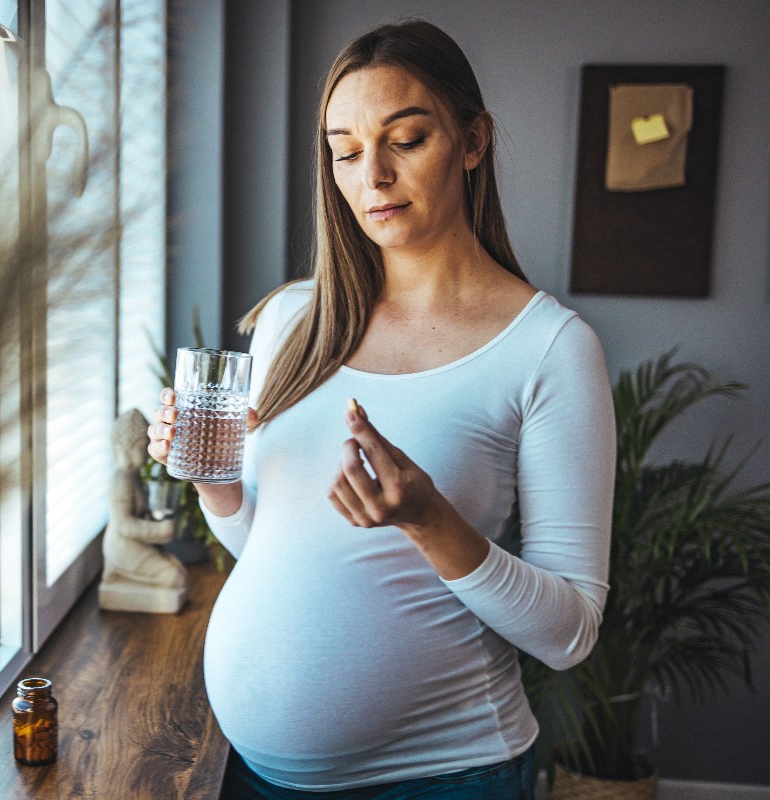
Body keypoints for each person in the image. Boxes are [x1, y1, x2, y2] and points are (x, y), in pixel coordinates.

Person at [146, 18, 615, 800]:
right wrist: (212, 478)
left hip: (441, 778)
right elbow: (262, 541)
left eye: (407, 139)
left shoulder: (550, 350)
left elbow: (570, 633)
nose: (375, 176)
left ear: (472, 142)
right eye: (347, 150)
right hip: (254, 775)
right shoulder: (295, 318)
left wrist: (431, 521)